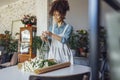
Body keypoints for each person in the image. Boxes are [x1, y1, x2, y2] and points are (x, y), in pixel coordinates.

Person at [41, 0, 73, 64]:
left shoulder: (68, 27)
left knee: (65, 72)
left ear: (63, 14)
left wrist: (51, 34)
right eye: (54, 15)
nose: (55, 17)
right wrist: (44, 38)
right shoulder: (51, 27)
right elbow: (50, 41)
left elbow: (64, 40)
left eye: (57, 14)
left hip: (64, 54)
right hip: (53, 53)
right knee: (52, 71)